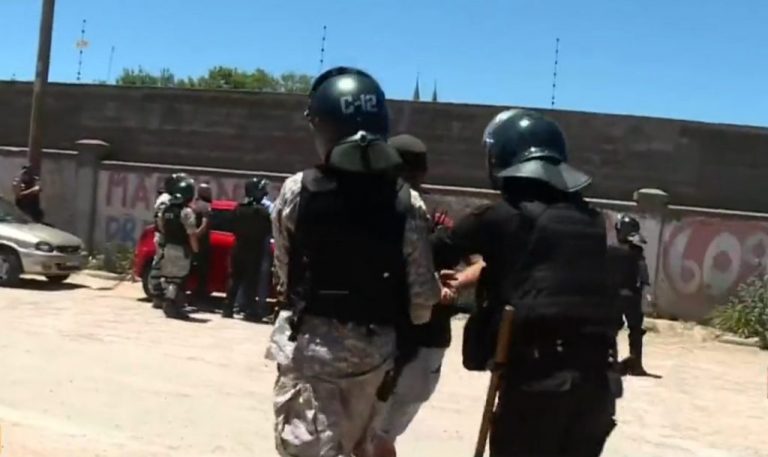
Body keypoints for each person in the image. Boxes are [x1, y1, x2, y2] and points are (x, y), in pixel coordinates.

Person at [267, 66, 442, 457]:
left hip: (311, 353)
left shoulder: (299, 190)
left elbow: (286, 272)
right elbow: (421, 304)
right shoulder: (406, 201)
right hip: (375, 358)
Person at [436, 109, 622, 457]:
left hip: (537, 385)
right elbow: (527, 266)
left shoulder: (501, 217)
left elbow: (436, 252)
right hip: (597, 386)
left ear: (500, 159)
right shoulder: (591, 221)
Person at [371, 134, 463, 457]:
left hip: (395, 338)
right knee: (378, 438)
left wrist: (448, 285)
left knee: (374, 438)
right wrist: (448, 287)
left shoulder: (374, 214)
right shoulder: (435, 218)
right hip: (416, 340)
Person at [608, 213, 651, 376]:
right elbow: (644, 276)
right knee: (635, 330)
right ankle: (636, 364)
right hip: (632, 296)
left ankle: (611, 361)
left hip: (614, 296)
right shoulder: (637, 252)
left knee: (611, 329)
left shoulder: (610, 251)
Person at [224, 177, 272, 320]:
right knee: (251, 281)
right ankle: (250, 311)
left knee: (235, 279)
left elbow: (231, 227)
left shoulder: (238, 209)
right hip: (254, 250)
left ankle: (228, 308)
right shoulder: (262, 212)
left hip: (238, 247)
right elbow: (267, 231)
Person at [158, 179, 199, 320]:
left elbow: (162, 227)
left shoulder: (166, 209)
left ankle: (169, 304)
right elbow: (191, 234)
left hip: (167, 247)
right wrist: (196, 251)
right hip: (181, 249)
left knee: (169, 278)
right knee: (178, 280)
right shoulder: (186, 212)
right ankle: (173, 306)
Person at [149, 173, 190, 309]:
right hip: (163, 237)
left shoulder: (170, 199)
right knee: (160, 267)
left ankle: (165, 297)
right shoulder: (165, 199)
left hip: (165, 237)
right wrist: (167, 235)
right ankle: (158, 296)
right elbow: (162, 220)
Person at [191, 182, 213, 300]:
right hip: (202, 243)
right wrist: (197, 236)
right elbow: (204, 225)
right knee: (202, 270)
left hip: (191, 241)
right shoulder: (206, 206)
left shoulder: (192, 204)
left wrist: (191, 237)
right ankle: (200, 294)